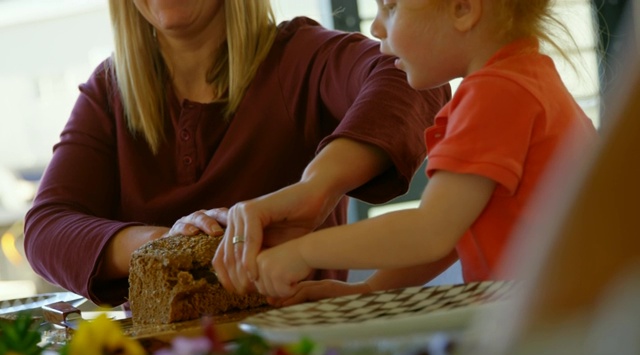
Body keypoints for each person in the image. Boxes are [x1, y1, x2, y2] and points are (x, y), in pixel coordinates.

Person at [22, 1, 449, 306]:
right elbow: (45, 229)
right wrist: (166, 243)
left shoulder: (298, 56)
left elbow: (412, 77)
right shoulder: (108, 92)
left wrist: (316, 189)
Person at [245, 0, 599, 304]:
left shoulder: (496, 93)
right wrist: (370, 290)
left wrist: (304, 251)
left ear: (463, 8)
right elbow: (455, 230)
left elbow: (430, 231)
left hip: (550, 323)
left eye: (391, 6)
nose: (376, 26)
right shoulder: (526, 76)